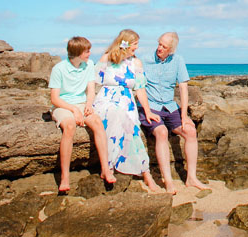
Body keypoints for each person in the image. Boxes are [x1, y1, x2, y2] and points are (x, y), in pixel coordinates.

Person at [137, 31, 208, 193]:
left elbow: (183, 88)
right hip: (150, 106)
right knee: (161, 132)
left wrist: (183, 116)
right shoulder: (144, 59)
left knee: (190, 131)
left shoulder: (178, 60)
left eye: (164, 46)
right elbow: (138, 86)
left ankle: (191, 178)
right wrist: (146, 110)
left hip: (170, 107)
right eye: (159, 44)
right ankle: (168, 181)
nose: (159, 48)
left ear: (171, 49)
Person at [92, 29, 161, 192]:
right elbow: (92, 82)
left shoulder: (136, 63)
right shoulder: (107, 59)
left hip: (127, 102)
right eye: (135, 44)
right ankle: (108, 167)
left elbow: (140, 89)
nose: (136, 48)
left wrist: (148, 111)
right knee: (116, 116)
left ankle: (146, 173)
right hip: (106, 101)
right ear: (126, 44)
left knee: (132, 129)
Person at [48, 36, 116, 194]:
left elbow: (91, 91)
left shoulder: (89, 65)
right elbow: (55, 99)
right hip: (63, 105)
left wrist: (88, 105)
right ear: (77, 52)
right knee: (70, 127)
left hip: (82, 104)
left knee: (98, 124)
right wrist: (73, 109)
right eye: (87, 51)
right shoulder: (59, 68)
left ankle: (105, 169)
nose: (90, 54)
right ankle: (65, 177)